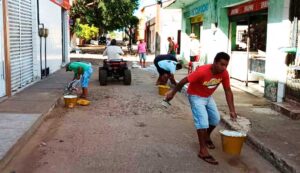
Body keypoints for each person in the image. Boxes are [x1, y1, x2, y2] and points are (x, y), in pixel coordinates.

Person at [165, 52, 237, 165]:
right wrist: (173, 93)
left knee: (215, 119)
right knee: (202, 122)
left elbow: (228, 90)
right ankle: (203, 150)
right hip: (195, 96)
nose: (224, 68)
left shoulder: (224, 73)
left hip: (208, 96)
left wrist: (232, 110)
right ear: (215, 62)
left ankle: (207, 136)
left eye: (226, 65)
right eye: (222, 64)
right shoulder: (202, 71)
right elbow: (184, 81)